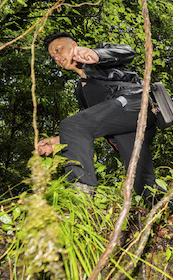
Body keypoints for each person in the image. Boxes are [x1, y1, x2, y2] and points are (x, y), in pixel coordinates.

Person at [36, 31, 159, 202]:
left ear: (73, 45)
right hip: (122, 126)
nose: (56, 57)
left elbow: (128, 52)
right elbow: (89, 122)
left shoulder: (99, 55)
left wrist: (97, 55)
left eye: (58, 50)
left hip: (135, 102)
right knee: (142, 181)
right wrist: (58, 140)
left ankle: (80, 195)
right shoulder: (81, 91)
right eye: (52, 56)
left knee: (72, 125)